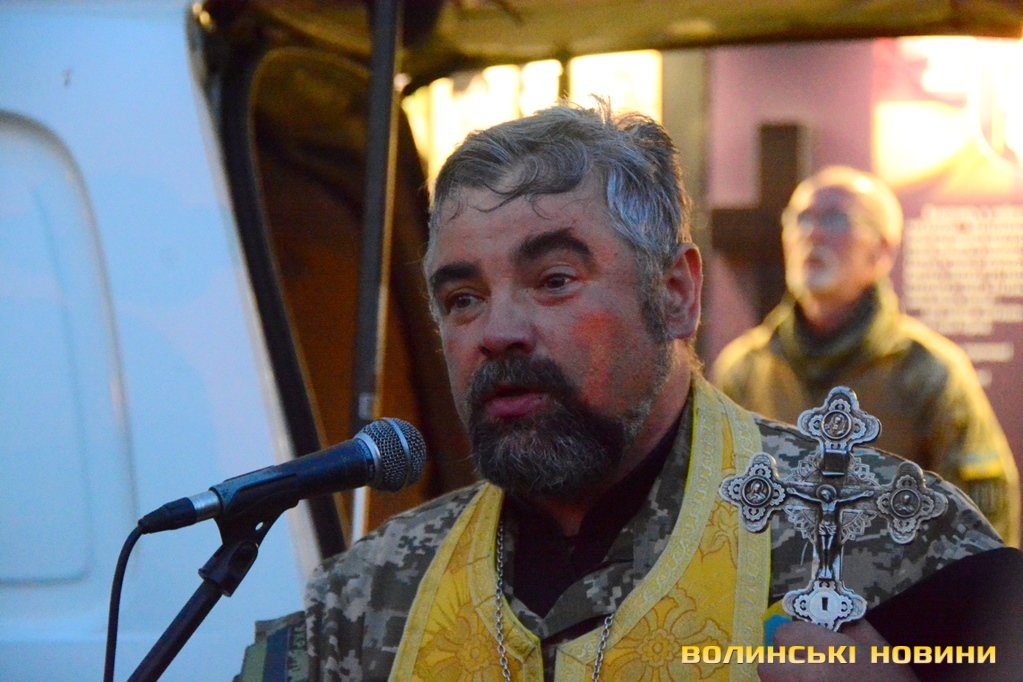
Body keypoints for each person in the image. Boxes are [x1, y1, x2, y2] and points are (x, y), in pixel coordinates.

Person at [237, 102, 1020, 682]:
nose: (495, 331)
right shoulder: (368, 597)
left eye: (553, 279)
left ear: (674, 295)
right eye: (462, 298)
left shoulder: (888, 545)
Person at [711, 166, 1020, 547]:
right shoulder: (746, 371)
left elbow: (982, 523)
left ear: (881, 250)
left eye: (835, 218)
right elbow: (715, 507)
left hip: (899, 583)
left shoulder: (928, 371)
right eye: (800, 219)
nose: (812, 233)